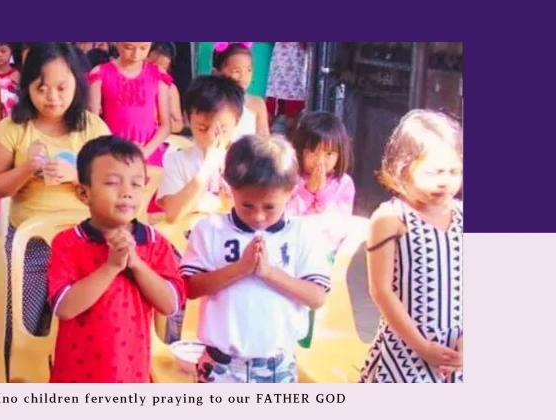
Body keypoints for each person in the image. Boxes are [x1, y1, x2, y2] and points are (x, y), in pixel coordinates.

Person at [180, 134, 331, 383]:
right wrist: (240, 268)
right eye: (247, 205)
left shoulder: (302, 234)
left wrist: (269, 272)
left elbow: (317, 297)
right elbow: (191, 287)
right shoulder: (210, 230)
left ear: (291, 192)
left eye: (270, 206)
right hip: (220, 366)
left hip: (276, 366)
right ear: (230, 188)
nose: (258, 216)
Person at [0, 42, 111, 336]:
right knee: (20, 330)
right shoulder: (13, 128)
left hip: (85, 245)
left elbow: (112, 185)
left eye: (61, 88)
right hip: (29, 246)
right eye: (41, 88)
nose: (52, 98)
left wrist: (77, 176)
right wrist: (27, 169)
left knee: (79, 331)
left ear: (76, 86)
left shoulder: (92, 128)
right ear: (27, 86)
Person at [47, 135, 186, 383]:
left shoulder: (154, 243)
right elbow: (64, 307)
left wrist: (137, 265)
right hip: (76, 375)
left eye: (136, 184)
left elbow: (170, 304)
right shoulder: (68, 242)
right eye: (112, 183)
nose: (126, 193)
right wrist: (111, 266)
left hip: (130, 373)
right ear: (83, 193)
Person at [360, 109, 464, 383]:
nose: (446, 181)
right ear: (403, 168)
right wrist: (421, 346)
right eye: (435, 172)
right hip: (404, 354)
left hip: (456, 354)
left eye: (455, 171)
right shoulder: (390, 218)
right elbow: (380, 290)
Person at [156, 74, 244, 224]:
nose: (212, 137)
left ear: (237, 121)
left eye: (221, 130)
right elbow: (172, 213)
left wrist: (200, 204)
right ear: (188, 119)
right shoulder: (176, 160)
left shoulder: (246, 159)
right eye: (203, 128)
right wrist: (208, 166)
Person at [88, 42, 172, 171]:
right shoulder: (100, 73)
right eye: (128, 47)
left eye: (143, 48)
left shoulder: (158, 74)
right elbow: (92, 123)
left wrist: (143, 153)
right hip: (111, 154)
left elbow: (165, 125)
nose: (136, 54)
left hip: (148, 155)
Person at [285, 111, 355, 255]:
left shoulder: (343, 184)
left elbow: (338, 227)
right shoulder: (290, 178)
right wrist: (308, 192)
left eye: (328, 154)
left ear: (339, 154)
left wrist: (322, 193)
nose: (320, 161)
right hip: (293, 246)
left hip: (326, 251)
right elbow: (286, 217)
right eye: (312, 152)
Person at [213, 43, 270, 138]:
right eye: (237, 71)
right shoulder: (212, 101)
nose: (244, 77)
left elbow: (264, 140)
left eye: (249, 70)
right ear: (217, 73)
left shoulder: (257, 104)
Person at [148, 42, 184, 134]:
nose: (159, 71)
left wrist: (164, 123)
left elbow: (179, 124)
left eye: (164, 68)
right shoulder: (134, 82)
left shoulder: (170, 88)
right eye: (154, 66)